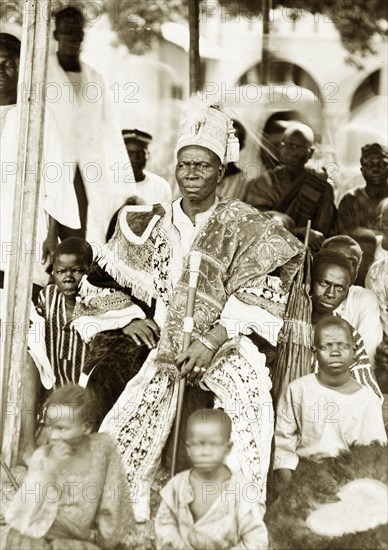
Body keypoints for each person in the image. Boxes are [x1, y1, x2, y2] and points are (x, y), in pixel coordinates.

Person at [74, 97, 305, 522]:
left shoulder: (244, 222)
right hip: (163, 340)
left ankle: (234, 510)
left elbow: (264, 288)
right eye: (185, 165)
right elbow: (100, 279)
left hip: (224, 340)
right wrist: (130, 318)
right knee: (132, 414)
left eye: (202, 165)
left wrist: (214, 339)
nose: (192, 173)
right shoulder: (148, 223)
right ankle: (128, 503)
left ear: (221, 171)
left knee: (252, 398)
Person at [0, 29, 80, 299]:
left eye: (9, 63)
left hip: (25, 228)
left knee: (22, 301)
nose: (1, 69)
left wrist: (51, 236)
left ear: (23, 68)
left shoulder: (38, 117)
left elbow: (58, 182)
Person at [47, 7, 136, 245]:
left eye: (77, 34)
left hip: (90, 171)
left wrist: (127, 187)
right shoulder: (42, 74)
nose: (72, 40)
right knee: (51, 239)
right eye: (66, 33)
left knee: (85, 238)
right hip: (52, 168)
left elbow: (111, 132)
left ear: (83, 37)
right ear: (56, 35)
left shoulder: (95, 78)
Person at [3, 384, 128, 549]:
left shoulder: (103, 450)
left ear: (86, 428)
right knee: (20, 540)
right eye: (50, 427)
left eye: (62, 429)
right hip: (39, 532)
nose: (53, 436)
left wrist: (107, 540)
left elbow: (113, 505)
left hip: (80, 539)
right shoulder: (44, 456)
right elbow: (22, 513)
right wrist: (48, 469)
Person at [274, 317, 387, 494]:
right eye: (327, 346)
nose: (335, 352)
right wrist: (289, 492)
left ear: (354, 350)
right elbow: (283, 449)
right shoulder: (297, 390)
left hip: (351, 483)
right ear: (315, 352)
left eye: (342, 346)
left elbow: (373, 455)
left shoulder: (367, 400)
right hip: (305, 481)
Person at [155, 409, 268, 550]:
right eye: (198, 444)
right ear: (188, 448)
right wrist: (179, 546)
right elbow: (165, 523)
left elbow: (255, 539)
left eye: (214, 444)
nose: (206, 452)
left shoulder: (242, 491)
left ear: (228, 448)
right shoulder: (177, 486)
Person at [245, 122, 336, 251]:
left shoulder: (321, 185)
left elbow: (322, 231)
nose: (290, 152)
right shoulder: (264, 182)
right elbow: (257, 224)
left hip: (306, 249)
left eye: (297, 147)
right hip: (268, 248)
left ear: (310, 152)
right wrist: (296, 231)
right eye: (286, 145)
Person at [311, 248, 382, 399]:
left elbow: (369, 393)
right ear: (310, 280)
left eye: (339, 288)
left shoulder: (349, 336)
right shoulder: (284, 320)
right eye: (324, 283)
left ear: (346, 293)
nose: (330, 294)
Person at [37, 237, 94, 386]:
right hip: (54, 390)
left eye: (76, 271)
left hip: (86, 394)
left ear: (90, 271)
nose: (68, 278)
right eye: (61, 271)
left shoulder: (99, 301)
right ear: (53, 273)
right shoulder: (47, 297)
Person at [321, 235, 382, 365]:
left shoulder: (365, 298)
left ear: (357, 270)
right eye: (333, 259)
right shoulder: (300, 296)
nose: (342, 267)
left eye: (350, 262)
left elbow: (366, 355)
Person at [337, 143, 388, 233]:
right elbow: (346, 237)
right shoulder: (350, 200)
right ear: (362, 170)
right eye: (369, 165)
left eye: (382, 165)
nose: (375, 170)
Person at [122, 129, 172, 203]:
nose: (135, 158)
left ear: (148, 155)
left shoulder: (161, 186)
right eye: (130, 153)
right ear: (121, 156)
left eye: (140, 153)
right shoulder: (111, 186)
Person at [216, 119, 250, 201]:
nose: (226, 146)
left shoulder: (244, 182)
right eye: (223, 140)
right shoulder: (199, 172)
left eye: (232, 142)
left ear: (240, 146)